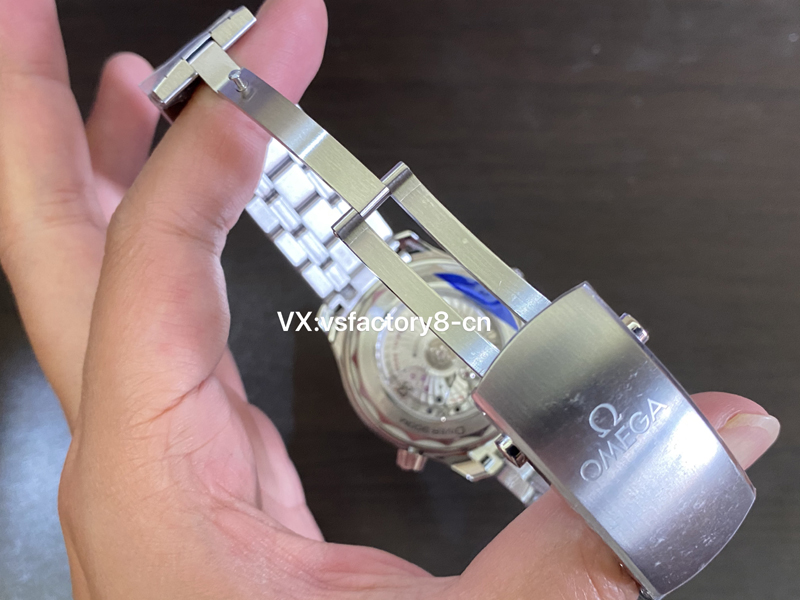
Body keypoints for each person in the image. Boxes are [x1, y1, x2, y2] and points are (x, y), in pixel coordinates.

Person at [0, 0, 780, 598]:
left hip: (454, 366)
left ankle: (210, 97)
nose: (442, 342)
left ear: (418, 450)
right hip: (436, 345)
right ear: (414, 450)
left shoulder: (464, 426)